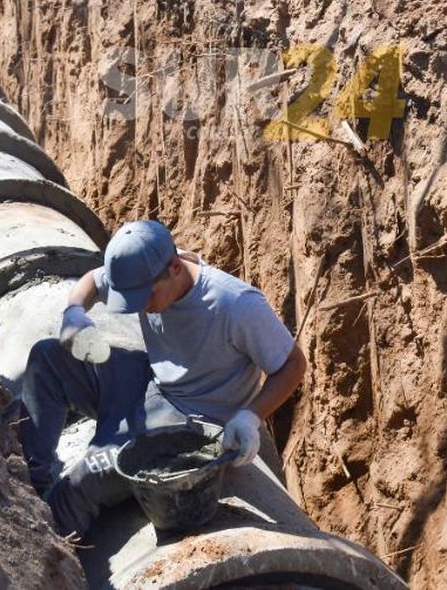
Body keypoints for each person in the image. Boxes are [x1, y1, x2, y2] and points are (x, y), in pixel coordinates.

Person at [20, 219, 307, 539]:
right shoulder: (144, 269)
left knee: (84, 482)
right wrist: (74, 312)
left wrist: (250, 417)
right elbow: (92, 279)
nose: (139, 306)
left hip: (189, 419)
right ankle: (26, 485)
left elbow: (293, 364)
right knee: (48, 358)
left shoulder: (235, 304)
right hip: (148, 380)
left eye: (145, 296)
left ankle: (45, 546)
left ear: (174, 267)